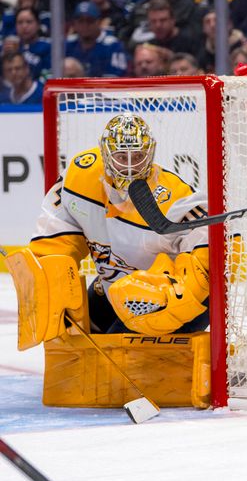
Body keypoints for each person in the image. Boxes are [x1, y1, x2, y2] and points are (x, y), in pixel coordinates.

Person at [24, 112, 209, 336]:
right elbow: (55, 238)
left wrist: (177, 295)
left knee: (116, 353)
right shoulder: (81, 177)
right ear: (106, 153)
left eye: (138, 155)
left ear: (150, 153)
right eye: (122, 157)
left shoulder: (177, 198)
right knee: (73, 336)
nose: (130, 166)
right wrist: (51, 280)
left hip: (162, 299)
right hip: (114, 287)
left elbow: (215, 249)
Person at [65, 1, 128, 77]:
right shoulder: (68, 44)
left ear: (98, 22)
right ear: (74, 24)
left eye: (89, 21)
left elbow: (115, 77)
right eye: (80, 21)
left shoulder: (112, 46)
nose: (85, 25)